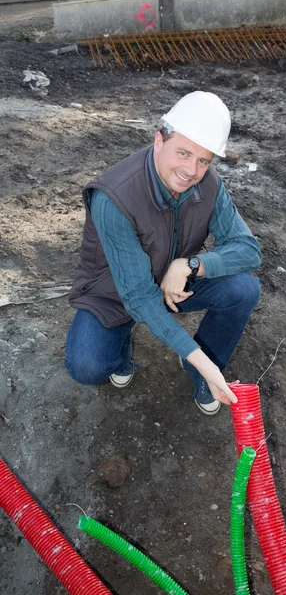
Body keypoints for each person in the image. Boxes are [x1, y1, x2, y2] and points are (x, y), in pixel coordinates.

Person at [65, 91, 261, 415]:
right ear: (159, 141)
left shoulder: (208, 184)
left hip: (173, 284)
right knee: (87, 366)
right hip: (114, 294)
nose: (191, 170)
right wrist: (200, 356)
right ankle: (124, 346)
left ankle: (199, 373)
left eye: (203, 160)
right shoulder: (114, 198)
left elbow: (248, 249)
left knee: (243, 289)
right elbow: (139, 296)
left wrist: (192, 265)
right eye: (183, 153)